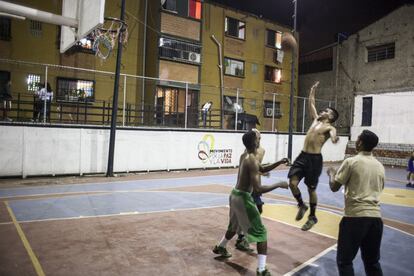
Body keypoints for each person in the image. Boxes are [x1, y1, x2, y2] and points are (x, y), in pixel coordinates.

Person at [212, 130, 290, 276]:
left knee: (234, 226)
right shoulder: (252, 160)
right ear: (255, 142)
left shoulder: (245, 156)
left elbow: (263, 168)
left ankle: (220, 247)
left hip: (234, 195)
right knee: (261, 233)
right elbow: (258, 188)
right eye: (258, 138)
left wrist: (279, 162)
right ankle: (261, 269)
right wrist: (279, 184)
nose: (260, 139)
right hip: (243, 198)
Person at [326, 130, 385, 276]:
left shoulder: (351, 162)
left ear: (360, 142)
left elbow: (334, 187)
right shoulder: (379, 166)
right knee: (372, 262)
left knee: (345, 261)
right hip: (376, 219)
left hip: (354, 218)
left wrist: (332, 173)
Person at [288, 81, 339, 231]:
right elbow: (311, 104)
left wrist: (335, 138)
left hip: (314, 160)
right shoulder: (316, 120)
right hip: (302, 157)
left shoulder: (329, 127)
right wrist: (312, 90)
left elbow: (333, 134)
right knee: (292, 183)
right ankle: (301, 205)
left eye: (327, 111)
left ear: (330, 117)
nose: (323, 111)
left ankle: (312, 216)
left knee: (311, 189)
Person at [235, 129, 271, 252]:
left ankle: (236, 239)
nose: (257, 135)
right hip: (250, 187)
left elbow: (258, 167)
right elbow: (248, 166)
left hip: (255, 185)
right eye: (255, 134)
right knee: (249, 216)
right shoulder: (248, 152)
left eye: (257, 133)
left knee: (258, 209)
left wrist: (262, 172)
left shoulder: (262, 151)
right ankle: (242, 238)